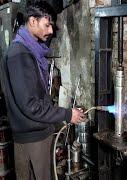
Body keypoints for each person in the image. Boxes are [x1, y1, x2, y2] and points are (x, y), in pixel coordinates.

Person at [0, 2, 85, 179]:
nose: (51, 31)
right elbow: (31, 105)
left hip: (33, 135)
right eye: (47, 25)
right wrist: (67, 114)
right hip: (33, 139)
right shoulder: (20, 54)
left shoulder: (28, 50)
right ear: (32, 21)